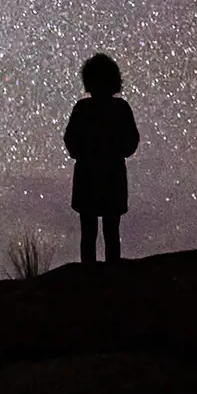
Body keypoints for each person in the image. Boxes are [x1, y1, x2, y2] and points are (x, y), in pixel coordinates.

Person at [62, 52, 139, 263]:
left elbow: (70, 140)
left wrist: (85, 153)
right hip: (109, 175)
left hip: (91, 175)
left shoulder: (83, 109)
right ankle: (108, 278)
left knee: (94, 232)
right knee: (108, 231)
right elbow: (131, 142)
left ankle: (94, 279)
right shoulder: (119, 108)